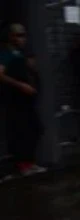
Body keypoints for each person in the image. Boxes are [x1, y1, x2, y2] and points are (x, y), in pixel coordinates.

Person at [0, 23, 44, 179]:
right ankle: (23, 165)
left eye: (23, 35)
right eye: (18, 35)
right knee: (21, 132)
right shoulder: (6, 53)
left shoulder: (21, 53)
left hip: (27, 100)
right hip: (15, 99)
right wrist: (21, 85)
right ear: (10, 37)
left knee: (35, 129)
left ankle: (30, 162)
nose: (22, 39)